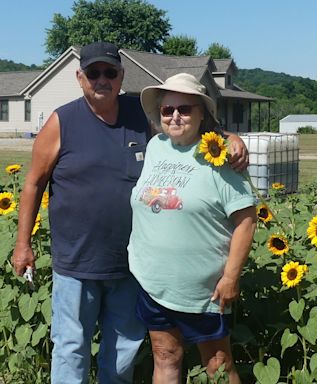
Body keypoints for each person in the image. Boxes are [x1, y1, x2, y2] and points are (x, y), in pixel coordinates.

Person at [11, 42, 249, 384]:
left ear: (122, 76)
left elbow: (185, 130)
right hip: (75, 262)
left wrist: (227, 136)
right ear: (80, 78)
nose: (101, 79)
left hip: (130, 267)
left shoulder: (141, 116)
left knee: (122, 351)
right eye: (93, 73)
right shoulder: (62, 121)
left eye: (110, 72)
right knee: (70, 347)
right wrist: (23, 244)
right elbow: (33, 183)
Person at [128, 73, 257, 383]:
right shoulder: (156, 146)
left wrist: (230, 277)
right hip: (153, 281)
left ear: (202, 113)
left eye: (185, 109)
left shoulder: (220, 156)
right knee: (165, 356)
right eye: (167, 110)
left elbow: (247, 219)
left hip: (203, 290)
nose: (175, 116)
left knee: (218, 365)